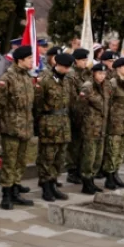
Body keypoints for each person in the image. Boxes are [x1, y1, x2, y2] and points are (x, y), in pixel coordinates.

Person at [0, 45, 35, 209]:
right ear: (20, 60)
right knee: (9, 162)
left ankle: (15, 191)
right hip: (11, 128)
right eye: (29, 58)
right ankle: (6, 195)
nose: (32, 61)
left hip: (25, 127)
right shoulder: (7, 78)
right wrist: (4, 124)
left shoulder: (27, 77)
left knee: (20, 162)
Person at [35, 53, 73, 201]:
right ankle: (46, 186)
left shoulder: (67, 80)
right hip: (49, 123)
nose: (67, 70)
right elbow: (37, 104)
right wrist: (40, 123)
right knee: (47, 156)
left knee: (60, 157)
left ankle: (53, 184)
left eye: (69, 67)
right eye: (65, 67)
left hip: (63, 123)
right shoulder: (45, 79)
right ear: (58, 65)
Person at [101, 58, 124, 189]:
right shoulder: (112, 83)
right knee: (112, 151)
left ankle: (115, 174)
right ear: (118, 68)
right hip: (114, 123)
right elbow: (106, 104)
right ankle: (109, 177)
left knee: (120, 151)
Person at [78, 63, 110, 194]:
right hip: (90, 127)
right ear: (93, 73)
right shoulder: (88, 86)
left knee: (98, 157)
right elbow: (80, 107)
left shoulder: (105, 86)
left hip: (101, 126)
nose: (102, 76)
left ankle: (92, 180)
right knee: (89, 156)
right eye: (99, 73)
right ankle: (86, 182)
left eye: (104, 74)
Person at [65, 48, 92, 184]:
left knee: (82, 143)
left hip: (86, 114)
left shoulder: (87, 73)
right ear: (76, 61)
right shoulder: (71, 74)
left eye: (86, 60)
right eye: (83, 60)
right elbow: (72, 96)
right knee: (74, 145)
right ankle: (72, 171)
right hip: (74, 113)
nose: (85, 62)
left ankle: (80, 169)